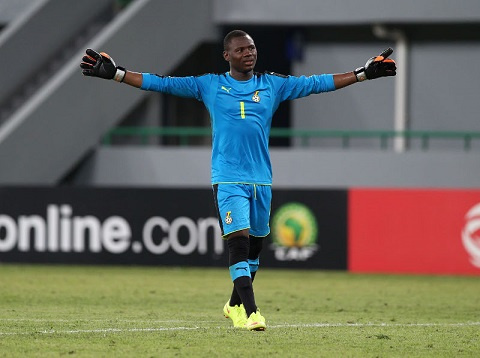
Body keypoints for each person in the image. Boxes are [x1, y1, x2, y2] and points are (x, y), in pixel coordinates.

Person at [80, 29, 396, 331]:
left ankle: (233, 305)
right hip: (228, 178)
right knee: (239, 243)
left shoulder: (273, 85)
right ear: (227, 55)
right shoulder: (208, 85)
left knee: (256, 247)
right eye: (241, 49)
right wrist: (118, 74)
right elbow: (161, 83)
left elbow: (317, 83)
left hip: (261, 179)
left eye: (252, 48)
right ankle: (251, 312)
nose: (249, 53)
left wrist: (363, 74)